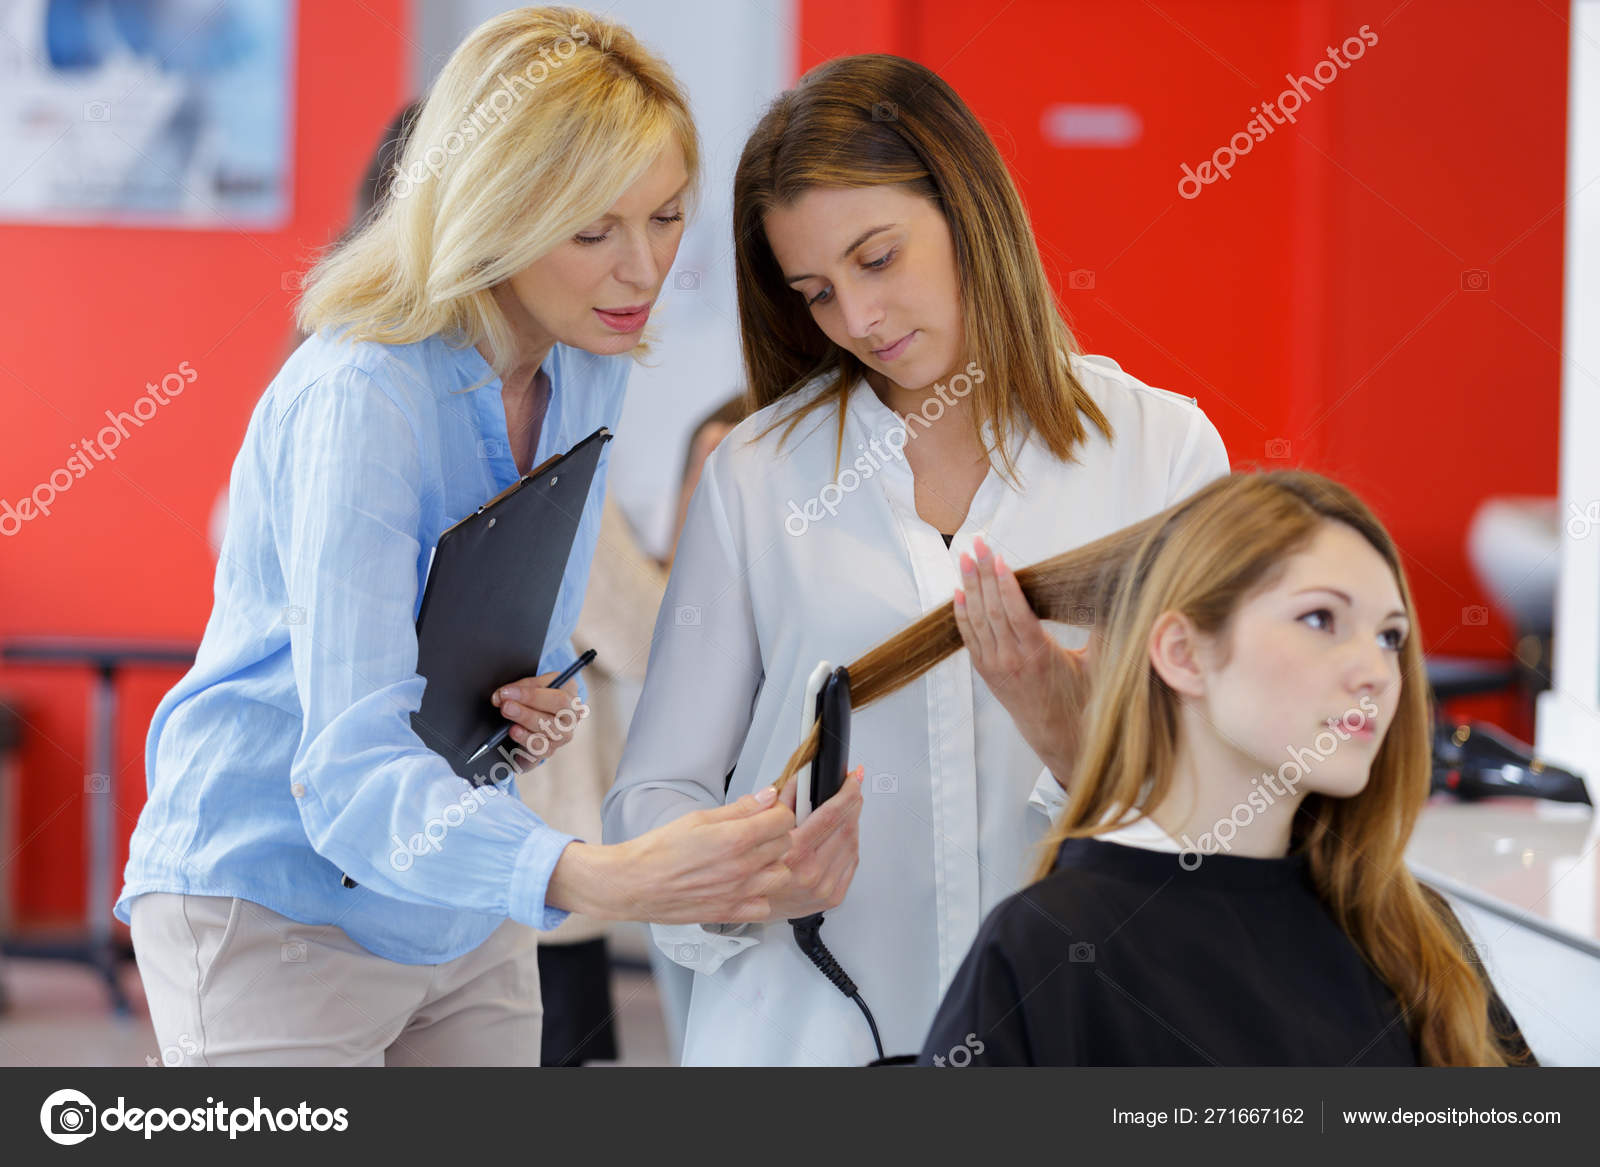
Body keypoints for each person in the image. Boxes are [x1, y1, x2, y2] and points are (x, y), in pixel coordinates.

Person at [115, 7, 793, 1068]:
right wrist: (600, 873)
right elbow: (345, 772)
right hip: (276, 903)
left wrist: (525, 708)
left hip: (456, 898)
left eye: (665, 218)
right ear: (495, 213)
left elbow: (514, 633)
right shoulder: (364, 398)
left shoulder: (587, 360)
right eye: (592, 230)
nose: (642, 269)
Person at [602, 53, 1230, 1065]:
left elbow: (1230, 807)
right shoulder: (757, 475)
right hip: (799, 1040)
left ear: (966, 207)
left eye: (878, 259)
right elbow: (652, 797)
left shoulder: (1161, 453)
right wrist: (752, 868)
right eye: (814, 291)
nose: (858, 320)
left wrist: (1075, 746)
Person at [861, 470, 1535, 1066]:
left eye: (1390, 636)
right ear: (1183, 652)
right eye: (1322, 618)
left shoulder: (1412, 930)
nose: (1375, 672)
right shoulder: (1049, 949)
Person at [520, 392, 747, 1066]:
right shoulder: (556, 469)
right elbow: (646, 635)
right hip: (541, 851)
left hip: (533, 850)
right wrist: (700, 530)